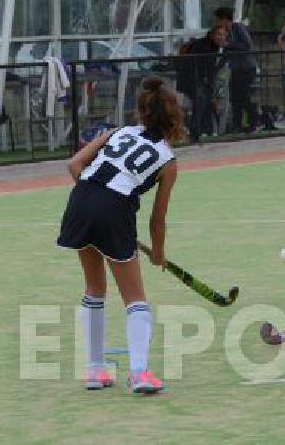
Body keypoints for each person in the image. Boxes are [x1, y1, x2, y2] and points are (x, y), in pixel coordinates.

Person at [56, 76, 187, 395]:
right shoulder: (167, 161)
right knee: (135, 300)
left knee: (94, 288)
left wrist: (93, 203)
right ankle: (140, 373)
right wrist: (158, 252)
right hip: (114, 211)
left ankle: (95, 371)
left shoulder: (116, 132)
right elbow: (157, 220)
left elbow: (74, 165)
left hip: (81, 200)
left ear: (141, 112)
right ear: (173, 119)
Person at [213, 7, 259, 134]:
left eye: (218, 20)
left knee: (244, 96)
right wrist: (216, 67)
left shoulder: (237, 28)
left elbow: (246, 45)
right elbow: (226, 53)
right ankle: (237, 125)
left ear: (224, 19)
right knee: (235, 98)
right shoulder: (228, 32)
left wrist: (228, 45)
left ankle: (253, 122)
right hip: (236, 68)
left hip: (246, 68)